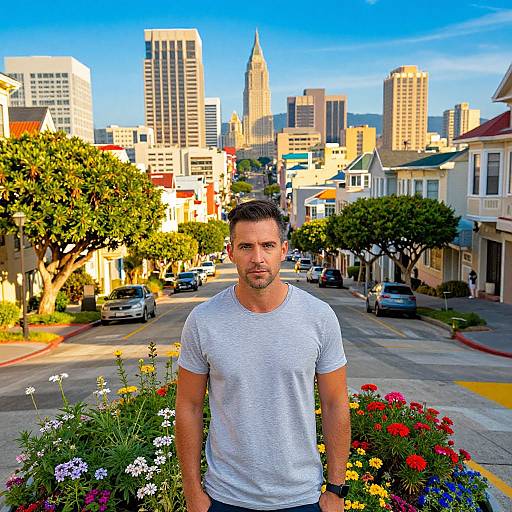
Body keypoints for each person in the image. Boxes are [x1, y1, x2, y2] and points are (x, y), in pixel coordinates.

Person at [176, 200, 350, 512]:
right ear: (231, 253)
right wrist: (193, 493)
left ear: (283, 250)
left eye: (267, 245)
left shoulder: (319, 317)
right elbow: (188, 406)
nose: (258, 258)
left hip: (302, 498)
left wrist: (335, 490)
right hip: (224, 498)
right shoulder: (203, 320)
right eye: (246, 246)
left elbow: (336, 403)